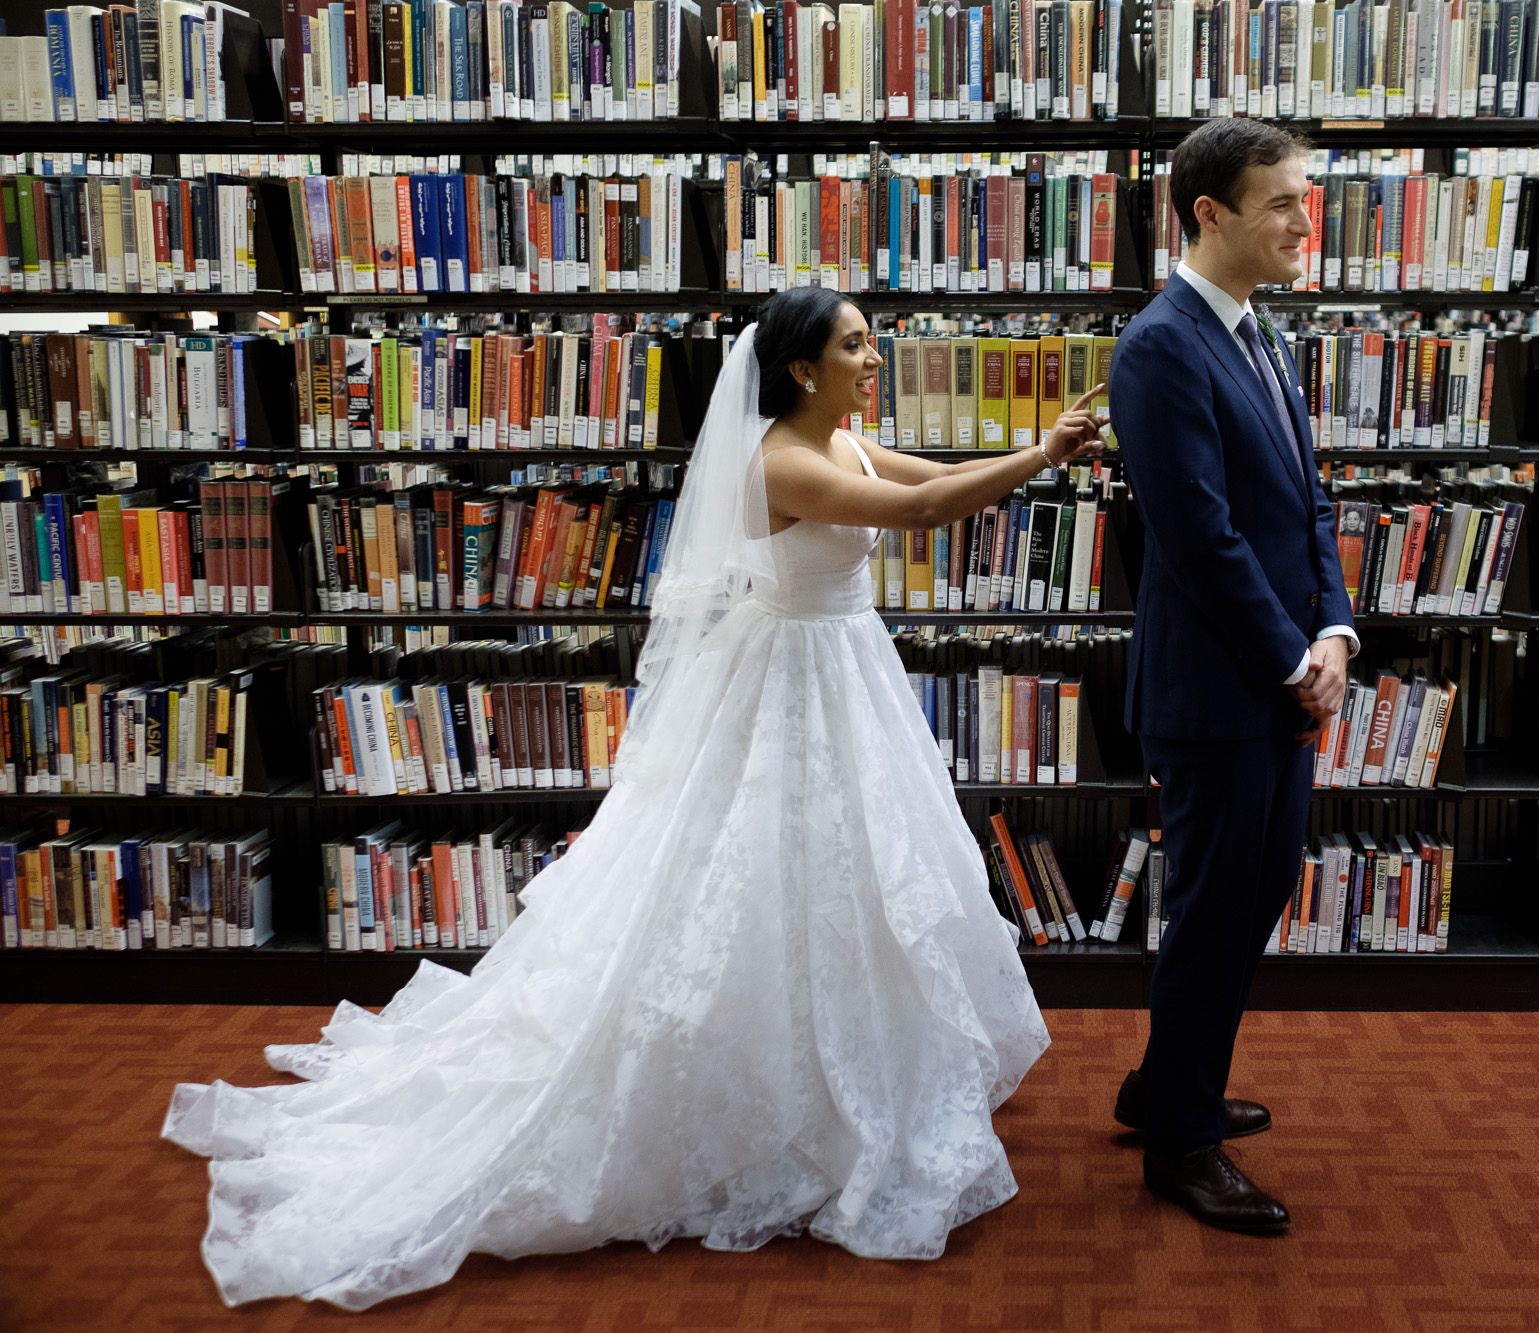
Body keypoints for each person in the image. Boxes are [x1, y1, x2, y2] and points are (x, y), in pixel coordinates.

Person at [160, 287, 1109, 1311]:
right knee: (765, 876)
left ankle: (851, 1070)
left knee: (845, 877)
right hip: (790, 676)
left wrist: (1032, 442)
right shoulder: (779, 462)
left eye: (870, 341)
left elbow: (934, 476)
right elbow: (926, 511)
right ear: (799, 367)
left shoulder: (843, 439)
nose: (874, 357)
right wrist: (1045, 459)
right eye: (855, 345)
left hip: (842, 669)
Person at [1107, 118, 1359, 1236]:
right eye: (1281, 204)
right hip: (1217, 691)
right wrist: (1288, 656)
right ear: (1207, 213)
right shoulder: (1161, 346)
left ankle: (1169, 1084)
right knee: (1213, 912)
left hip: (1282, 676)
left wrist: (1337, 628)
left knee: (1252, 894)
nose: (1305, 221)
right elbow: (1196, 534)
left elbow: (1304, 505)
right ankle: (1179, 1143)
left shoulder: (1261, 336)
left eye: (1304, 199)